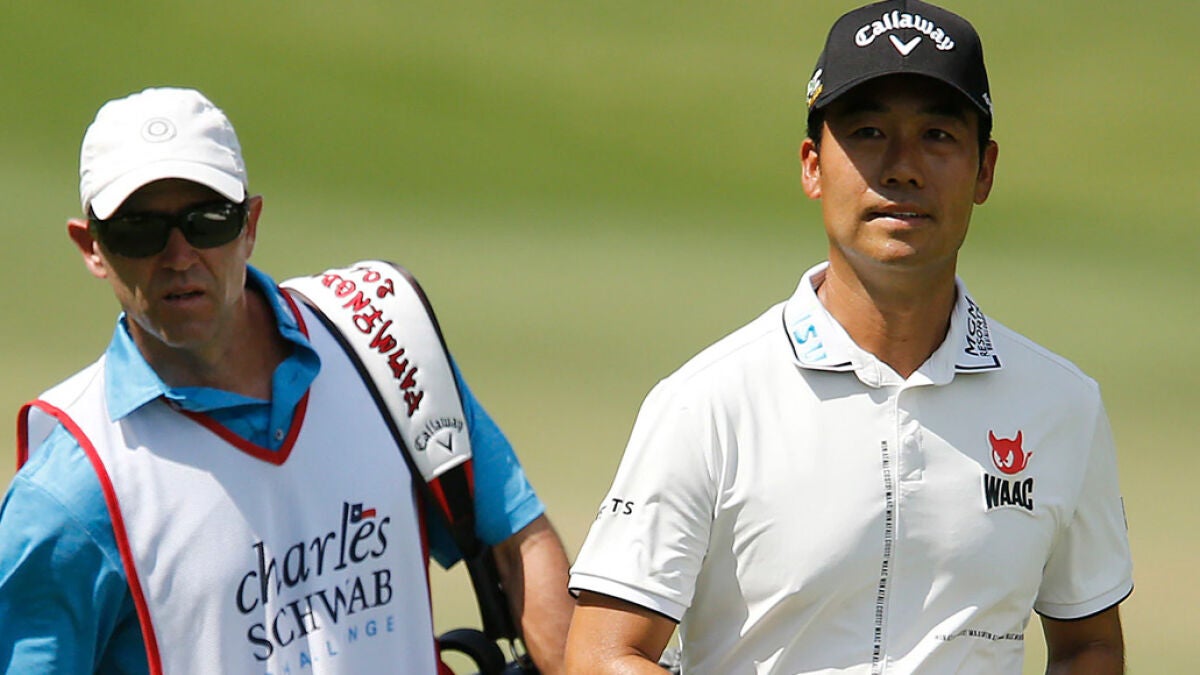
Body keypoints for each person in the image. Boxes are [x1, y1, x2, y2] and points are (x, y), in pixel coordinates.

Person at [565, 1, 1133, 673]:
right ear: (812, 165)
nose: (902, 167)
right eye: (868, 132)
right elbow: (602, 654)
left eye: (938, 135)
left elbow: (1090, 644)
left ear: (984, 170)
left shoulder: (1062, 405)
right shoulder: (708, 402)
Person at [0, 87, 573, 674]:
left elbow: (517, 546)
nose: (179, 256)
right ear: (91, 247)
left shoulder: (380, 340)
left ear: (249, 225)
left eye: (208, 222)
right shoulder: (67, 493)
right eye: (139, 230)